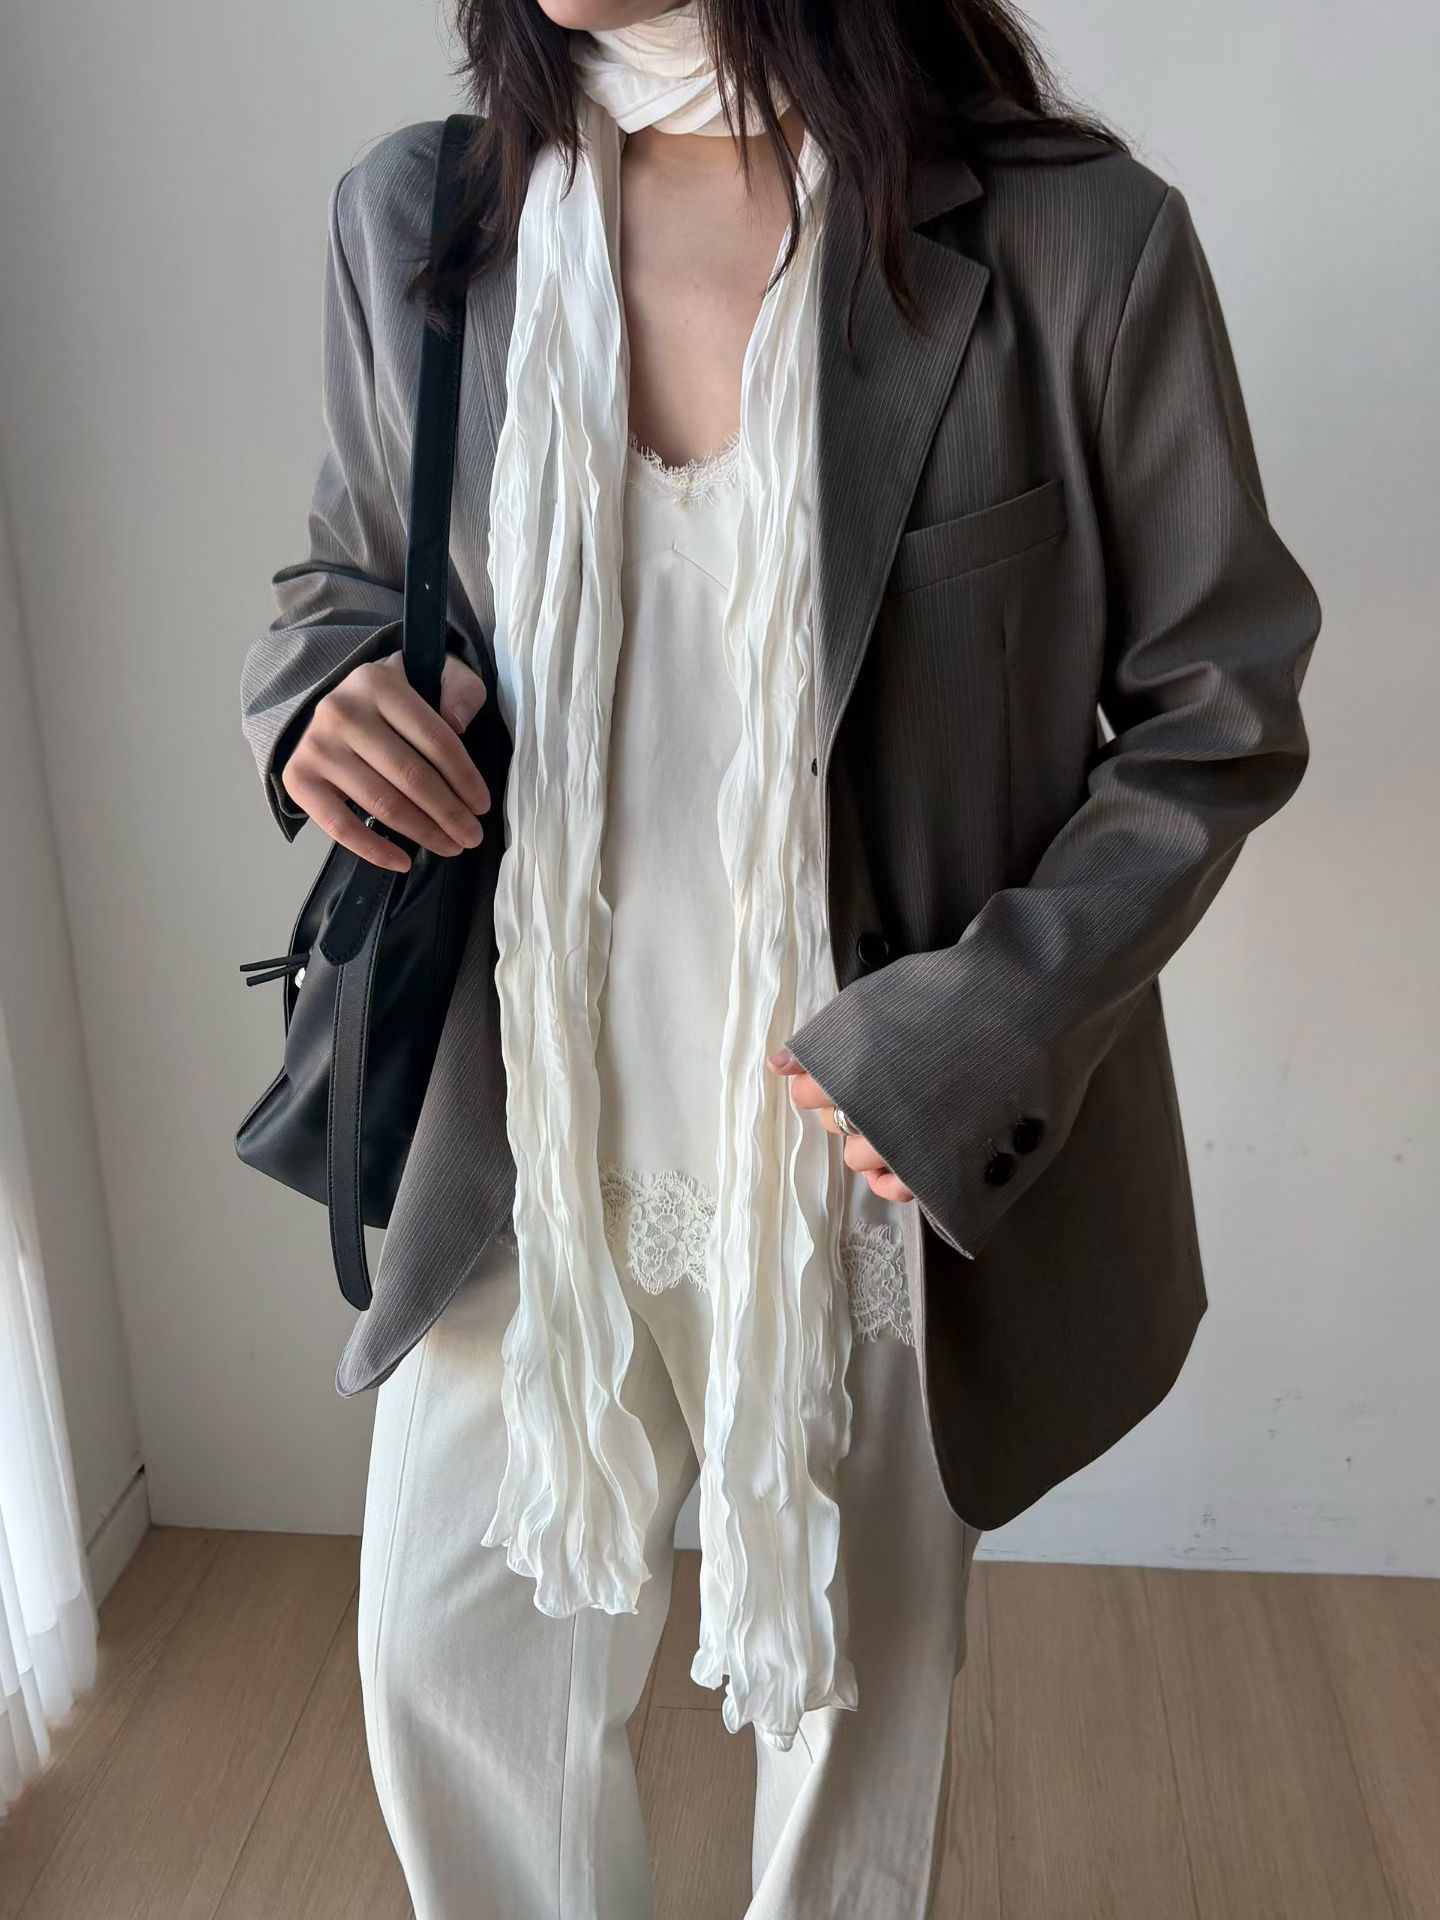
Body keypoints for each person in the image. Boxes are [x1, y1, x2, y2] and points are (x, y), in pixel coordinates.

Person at [239, 1, 1321, 1912]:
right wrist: (323, 698)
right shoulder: (420, 217)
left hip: (857, 1148)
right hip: (528, 1122)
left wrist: (989, 1026)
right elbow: (347, 566)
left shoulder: (1077, 245)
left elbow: (1215, 710)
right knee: (445, 1669)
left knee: (848, 1722)